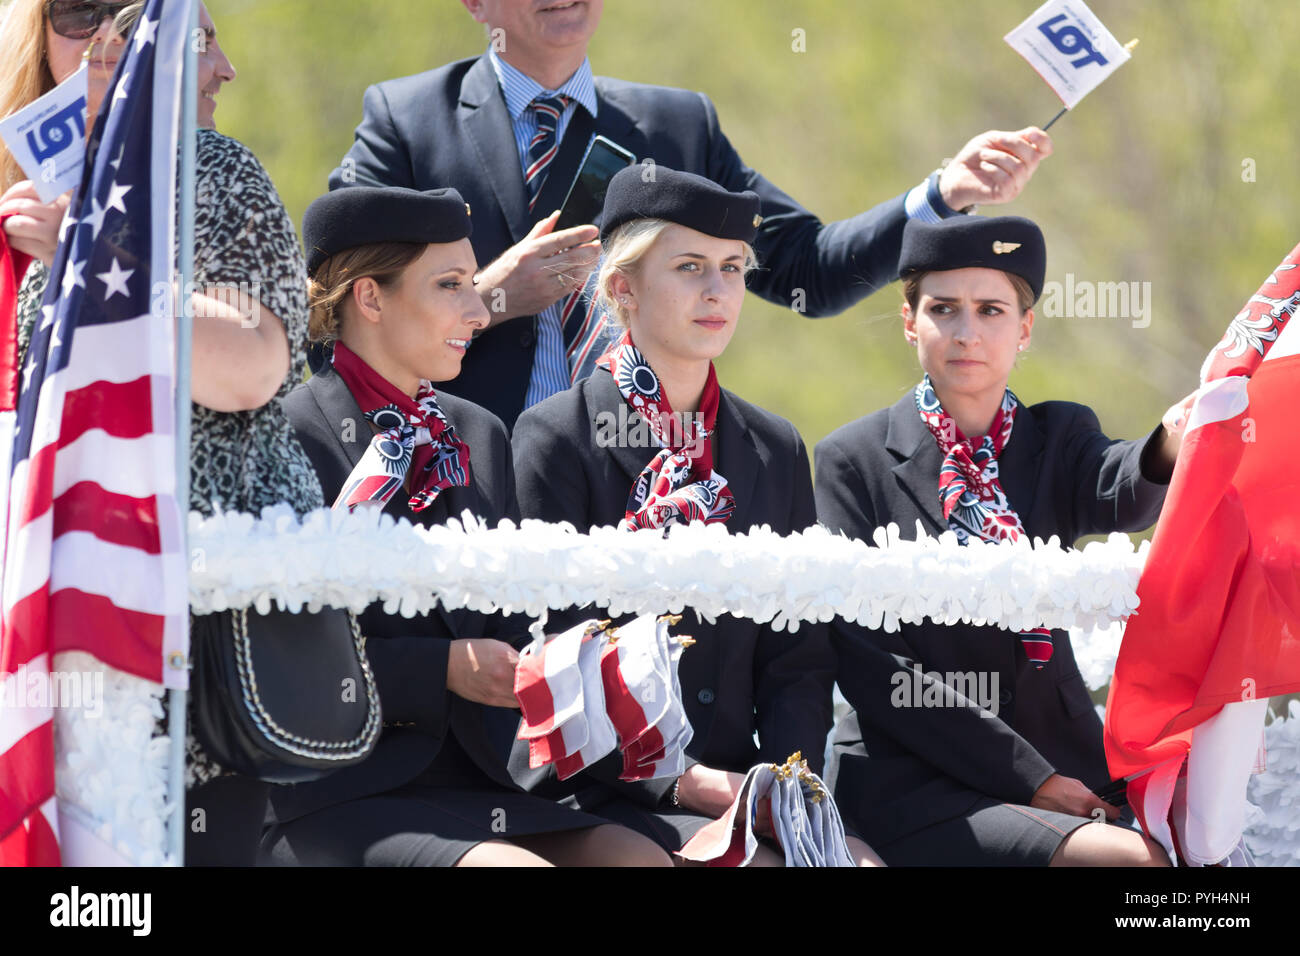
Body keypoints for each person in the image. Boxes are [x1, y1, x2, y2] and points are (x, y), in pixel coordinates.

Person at [325, 0, 1053, 430]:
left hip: (637, 480)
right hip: (459, 479)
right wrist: (485, 300)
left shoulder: (677, 128)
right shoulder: (406, 120)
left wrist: (944, 192)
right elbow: (335, 321)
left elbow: (807, 271)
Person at [3, 0, 322, 866]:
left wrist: (81, 252)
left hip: (191, 639)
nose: (107, 34)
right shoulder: (30, 203)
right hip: (63, 622)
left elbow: (252, 364)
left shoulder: (210, 169)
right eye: (79, 14)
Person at [268, 185, 671, 866]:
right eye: (450, 284)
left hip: (478, 782)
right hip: (338, 791)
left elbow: (508, 625)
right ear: (369, 298)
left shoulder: (477, 431)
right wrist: (442, 669)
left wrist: (564, 665)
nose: (479, 308)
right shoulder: (289, 435)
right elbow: (281, 655)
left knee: (638, 859)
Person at [510, 165, 882, 866]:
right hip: (596, 792)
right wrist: (686, 783)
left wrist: (785, 786)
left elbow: (798, 658)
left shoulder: (772, 447)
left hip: (745, 787)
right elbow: (557, 656)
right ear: (623, 287)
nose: (718, 292)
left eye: (733, 268)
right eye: (689, 268)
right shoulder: (554, 437)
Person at [815, 215, 1197, 866]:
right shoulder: (852, 459)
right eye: (943, 309)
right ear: (910, 321)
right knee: (1132, 866)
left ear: (1023, 329)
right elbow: (873, 664)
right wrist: (1033, 781)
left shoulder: (1058, 437)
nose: (967, 332)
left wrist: (1172, 438)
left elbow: (1122, 490)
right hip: (916, 779)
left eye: (991, 310)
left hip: (1064, 759)